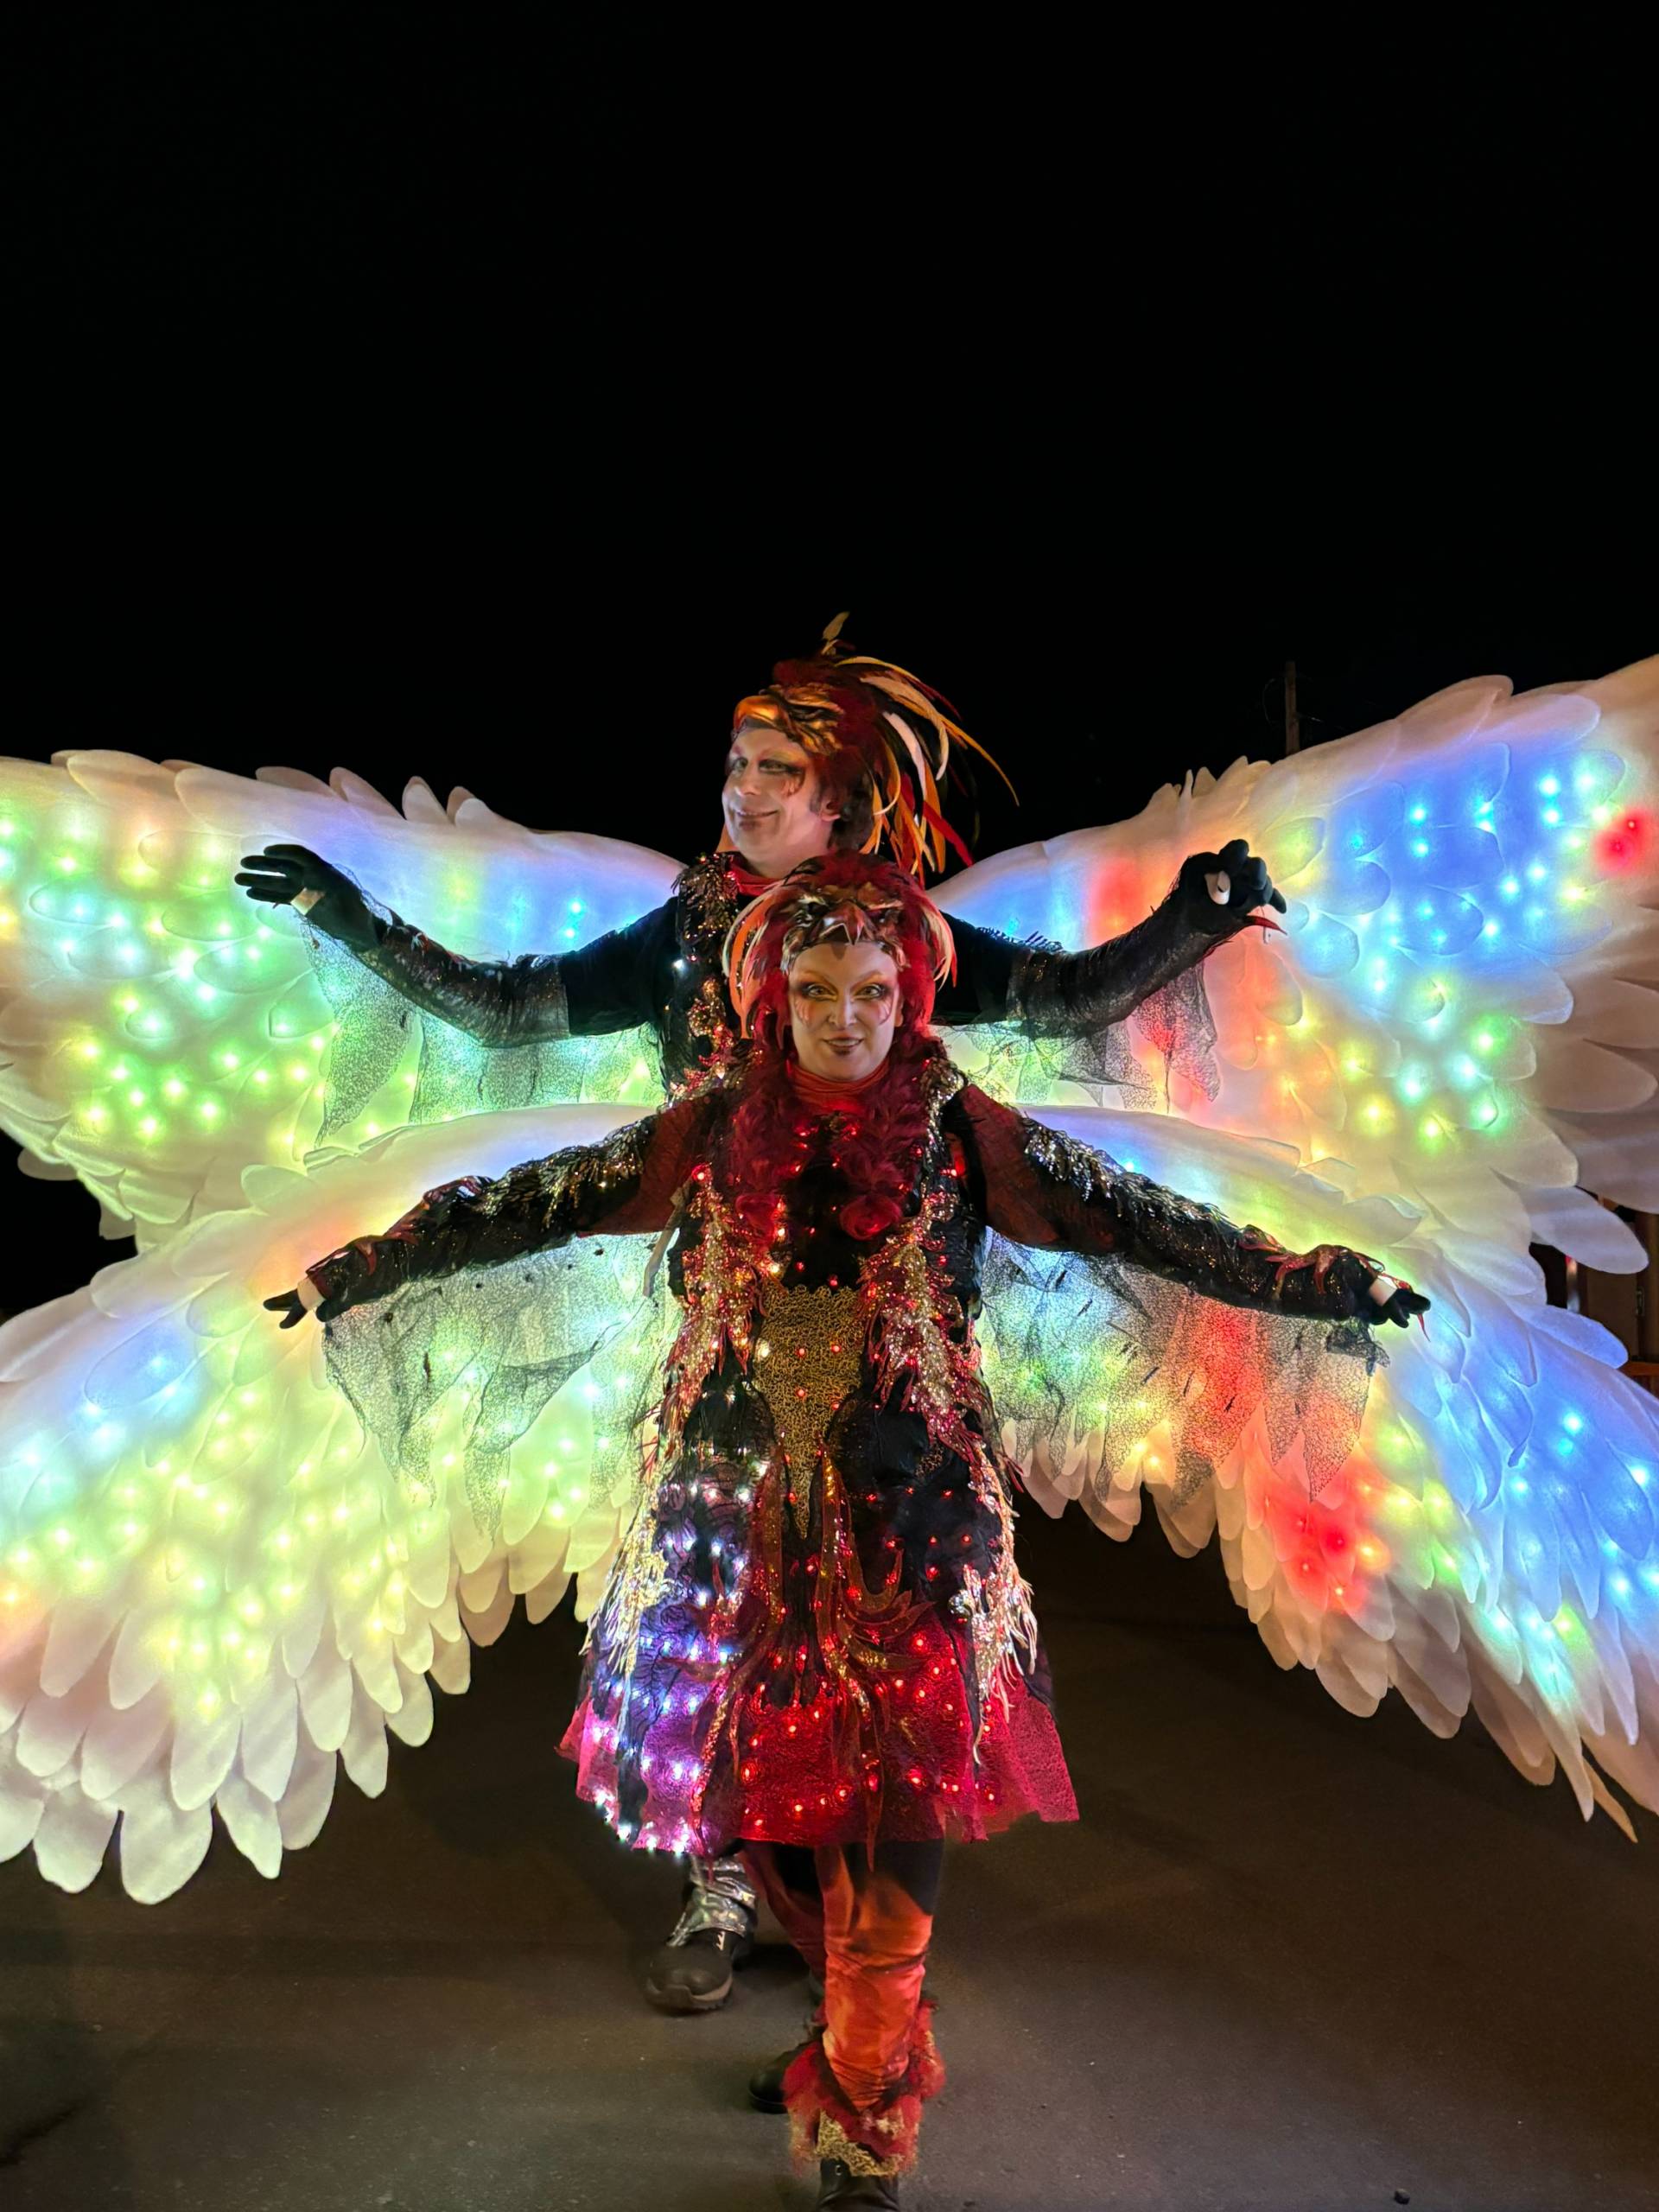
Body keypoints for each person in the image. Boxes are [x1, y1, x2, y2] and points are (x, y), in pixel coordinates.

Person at [275, 855, 1421, 2209]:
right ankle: (848, 2039)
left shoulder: (959, 1128)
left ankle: (866, 2126)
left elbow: (1138, 1217)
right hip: (730, 1522)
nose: (846, 1016)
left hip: (912, 1525)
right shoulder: (708, 1130)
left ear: (911, 994)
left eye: (873, 989)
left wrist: (1308, 1278)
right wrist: (373, 1259)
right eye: (815, 990)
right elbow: (539, 1199)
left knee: (895, 1822)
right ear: (770, 998)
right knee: (773, 1824)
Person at [237, 626, 1288, 2014]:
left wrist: (1189, 929)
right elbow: (505, 1012)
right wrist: (352, 922)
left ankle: (860, 1926)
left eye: (774, 771)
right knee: (715, 1602)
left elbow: (1056, 992)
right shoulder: (689, 929)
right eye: (735, 763)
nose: (739, 791)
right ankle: (725, 1884)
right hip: (720, 1308)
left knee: (888, 1616)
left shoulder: (895, 939)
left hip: (891, 1314)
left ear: (841, 801)